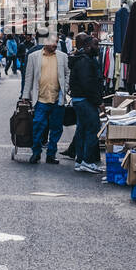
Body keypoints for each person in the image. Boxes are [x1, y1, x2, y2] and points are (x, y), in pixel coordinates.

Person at [20, 30, 69, 164]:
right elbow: (28, 77)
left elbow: (66, 74)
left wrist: (65, 88)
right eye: (53, 42)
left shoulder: (63, 56)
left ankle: (51, 155)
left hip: (57, 99)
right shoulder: (34, 56)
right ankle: (36, 152)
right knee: (37, 127)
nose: (56, 45)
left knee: (56, 128)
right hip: (40, 99)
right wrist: (25, 95)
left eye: (57, 42)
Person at [68, 33, 106, 174]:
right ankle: (87, 161)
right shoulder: (85, 61)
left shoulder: (82, 59)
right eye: (96, 45)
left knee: (82, 130)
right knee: (93, 128)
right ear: (88, 46)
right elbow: (88, 84)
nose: (98, 47)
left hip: (80, 100)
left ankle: (80, 161)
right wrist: (98, 101)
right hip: (85, 100)